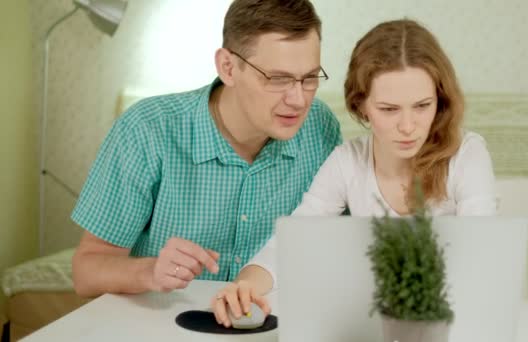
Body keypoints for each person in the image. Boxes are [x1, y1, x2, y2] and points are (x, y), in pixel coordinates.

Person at [211, 18, 497, 327]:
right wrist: (247, 286)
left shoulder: (467, 155)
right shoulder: (347, 162)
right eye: (389, 109)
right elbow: (294, 239)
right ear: (362, 106)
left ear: (439, 102)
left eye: (422, 106)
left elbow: (480, 259)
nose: (407, 126)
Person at [70, 0, 342, 298]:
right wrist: (150, 271)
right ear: (228, 67)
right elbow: (86, 271)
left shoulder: (320, 128)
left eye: (310, 78)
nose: (299, 100)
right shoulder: (147, 129)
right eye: (278, 79)